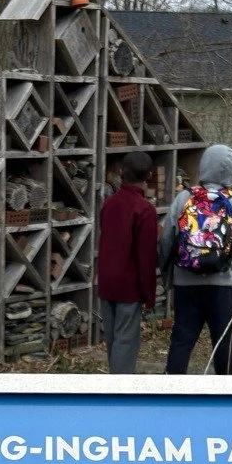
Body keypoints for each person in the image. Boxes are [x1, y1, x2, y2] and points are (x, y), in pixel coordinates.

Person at [159, 143, 232, 375]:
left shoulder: (184, 198)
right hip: (224, 286)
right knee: (225, 345)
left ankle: (171, 388)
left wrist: (168, 276)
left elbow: (166, 239)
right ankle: (227, 390)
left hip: (186, 283)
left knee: (182, 340)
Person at [96, 151, 159, 373]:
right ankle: (121, 387)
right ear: (149, 175)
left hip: (106, 282)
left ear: (122, 172)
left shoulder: (109, 203)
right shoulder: (145, 209)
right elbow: (146, 257)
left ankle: (115, 379)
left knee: (112, 339)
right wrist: (149, 295)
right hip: (129, 287)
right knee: (125, 341)